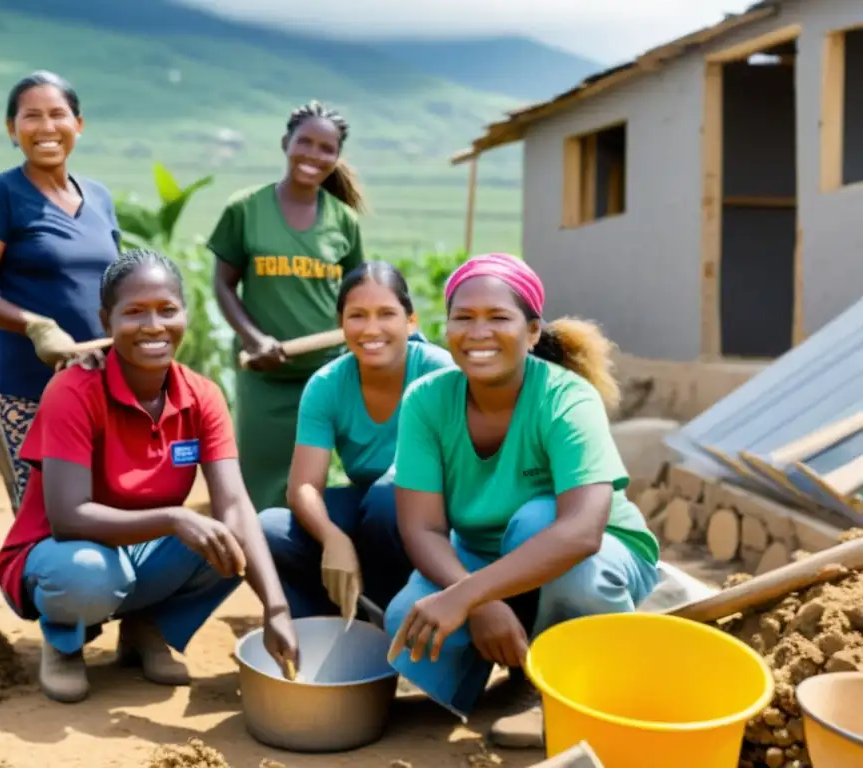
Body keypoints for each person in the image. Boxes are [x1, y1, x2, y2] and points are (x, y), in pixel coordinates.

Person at [0, 249, 298, 704]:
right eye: (134, 312)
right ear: (105, 319)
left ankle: (148, 627)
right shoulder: (74, 391)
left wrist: (276, 609)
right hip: (62, 556)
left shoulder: (202, 396)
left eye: (166, 310)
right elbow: (68, 518)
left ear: (185, 315)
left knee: (258, 533)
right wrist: (176, 519)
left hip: (142, 553)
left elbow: (234, 504)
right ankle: (64, 643)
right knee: (88, 572)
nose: (154, 326)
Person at [384, 253, 660, 749]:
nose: (478, 332)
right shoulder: (427, 399)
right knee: (407, 617)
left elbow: (582, 532)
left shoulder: (565, 398)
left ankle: (560, 692)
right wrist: (478, 597)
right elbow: (422, 528)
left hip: (598, 556)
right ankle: (503, 677)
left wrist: (469, 597)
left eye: (498, 318)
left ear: (532, 332)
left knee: (539, 520)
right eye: (463, 318)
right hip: (489, 557)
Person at [0, 70, 120, 513]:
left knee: (103, 510)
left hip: (99, 385)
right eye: (32, 116)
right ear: (12, 129)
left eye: (58, 114)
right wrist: (37, 326)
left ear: (78, 124)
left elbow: (114, 286)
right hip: (27, 390)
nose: (46, 127)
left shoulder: (99, 198)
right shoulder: (0, 195)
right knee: (42, 518)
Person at [259, 262, 455, 621]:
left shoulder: (439, 372)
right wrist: (333, 538)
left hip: (437, 512)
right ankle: (325, 629)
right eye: (357, 316)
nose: (371, 329)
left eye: (386, 314)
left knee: (388, 499)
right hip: (371, 506)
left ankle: (394, 618)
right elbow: (303, 486)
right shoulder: (327, 384)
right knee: (269, 530)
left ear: (411, 322)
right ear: (341, 325)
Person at [208, 100, 366, 511]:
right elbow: (223, 285)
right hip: (263, 373)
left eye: (326, 148)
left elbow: (358, 294)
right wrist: (254, 338)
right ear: (285, 143)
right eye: (305, 142)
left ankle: (315, 556)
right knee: (260, 483)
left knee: (315, 480)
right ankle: (263, 564)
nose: (314, 155)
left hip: (326, 373)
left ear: (337, 156)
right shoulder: (245, 209)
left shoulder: (344, 220)